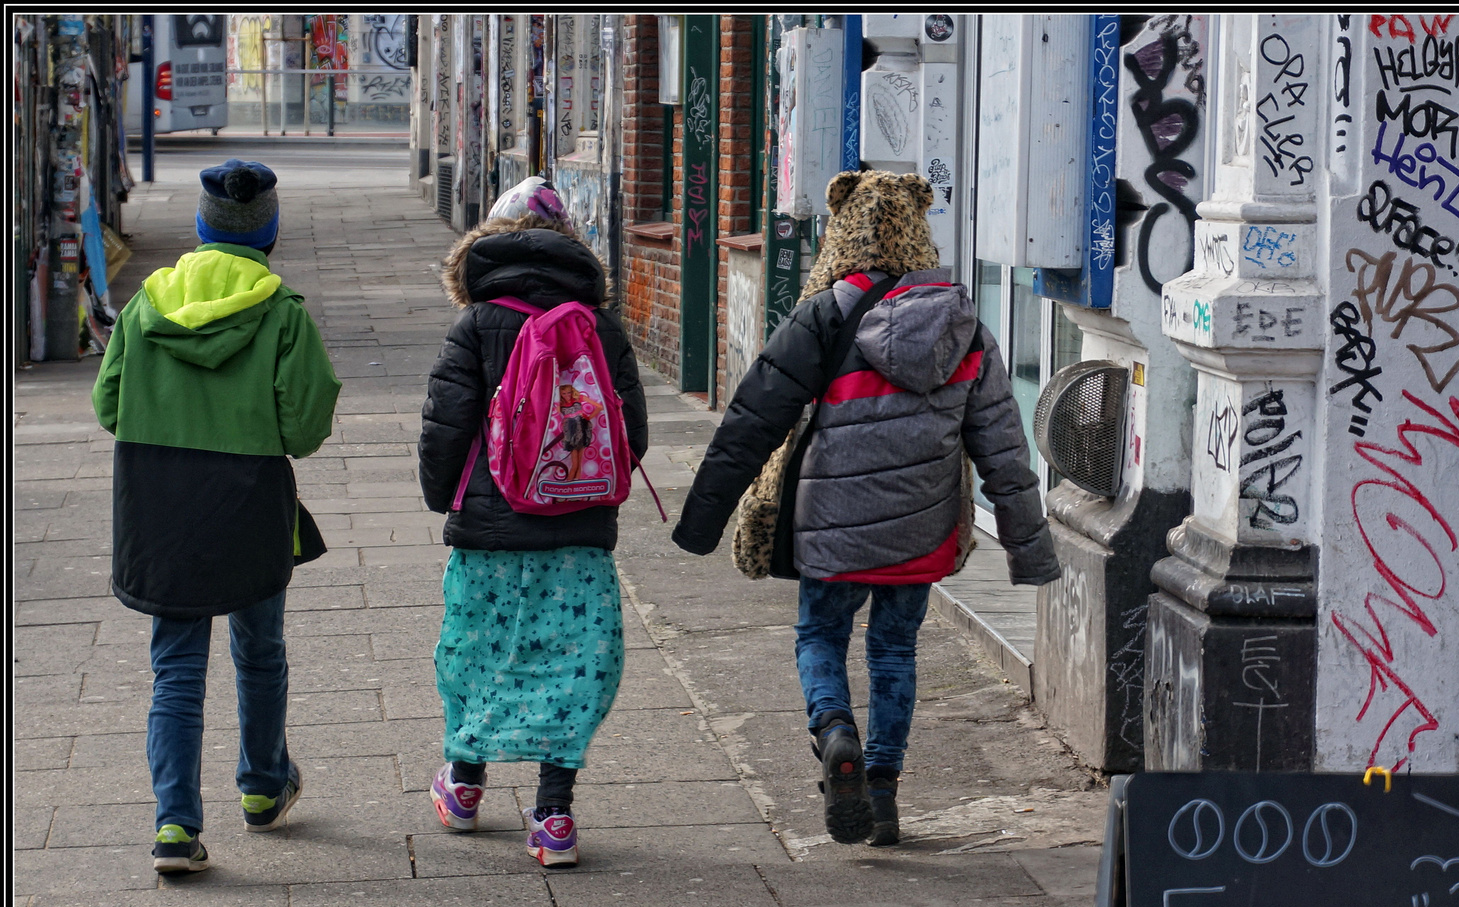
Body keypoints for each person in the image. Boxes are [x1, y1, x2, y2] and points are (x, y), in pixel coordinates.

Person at [671, 170, 1060, 846]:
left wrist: (701, 521)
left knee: (821, 635)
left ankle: (833, 730)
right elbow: (1002, 447)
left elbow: (751, 421)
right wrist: (1027, 546)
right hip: (923, 525)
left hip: (831, 523)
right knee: (893, 647)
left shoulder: (823, 314)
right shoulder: (960, 324)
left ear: (841, 231)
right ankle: (880, 792)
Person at [92, 158, 341, 874]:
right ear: (268, 235)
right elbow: (303, 429)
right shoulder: (282, 313)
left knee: (175, 665)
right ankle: (263, 788)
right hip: (249, 500)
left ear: (201, 228)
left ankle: (175, 825)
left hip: (159, 502)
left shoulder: (144, 305)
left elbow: (109, 406)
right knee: (259, 649)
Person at [419, 176, 648, 867]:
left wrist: (445, 499)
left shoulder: (474, 324)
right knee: (571, 661)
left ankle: (464, 785)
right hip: (576, 534)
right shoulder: (598, 327)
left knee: (475, 653)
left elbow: (445, 427)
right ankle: (553, 819)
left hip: (487, 534)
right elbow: (629, 433)